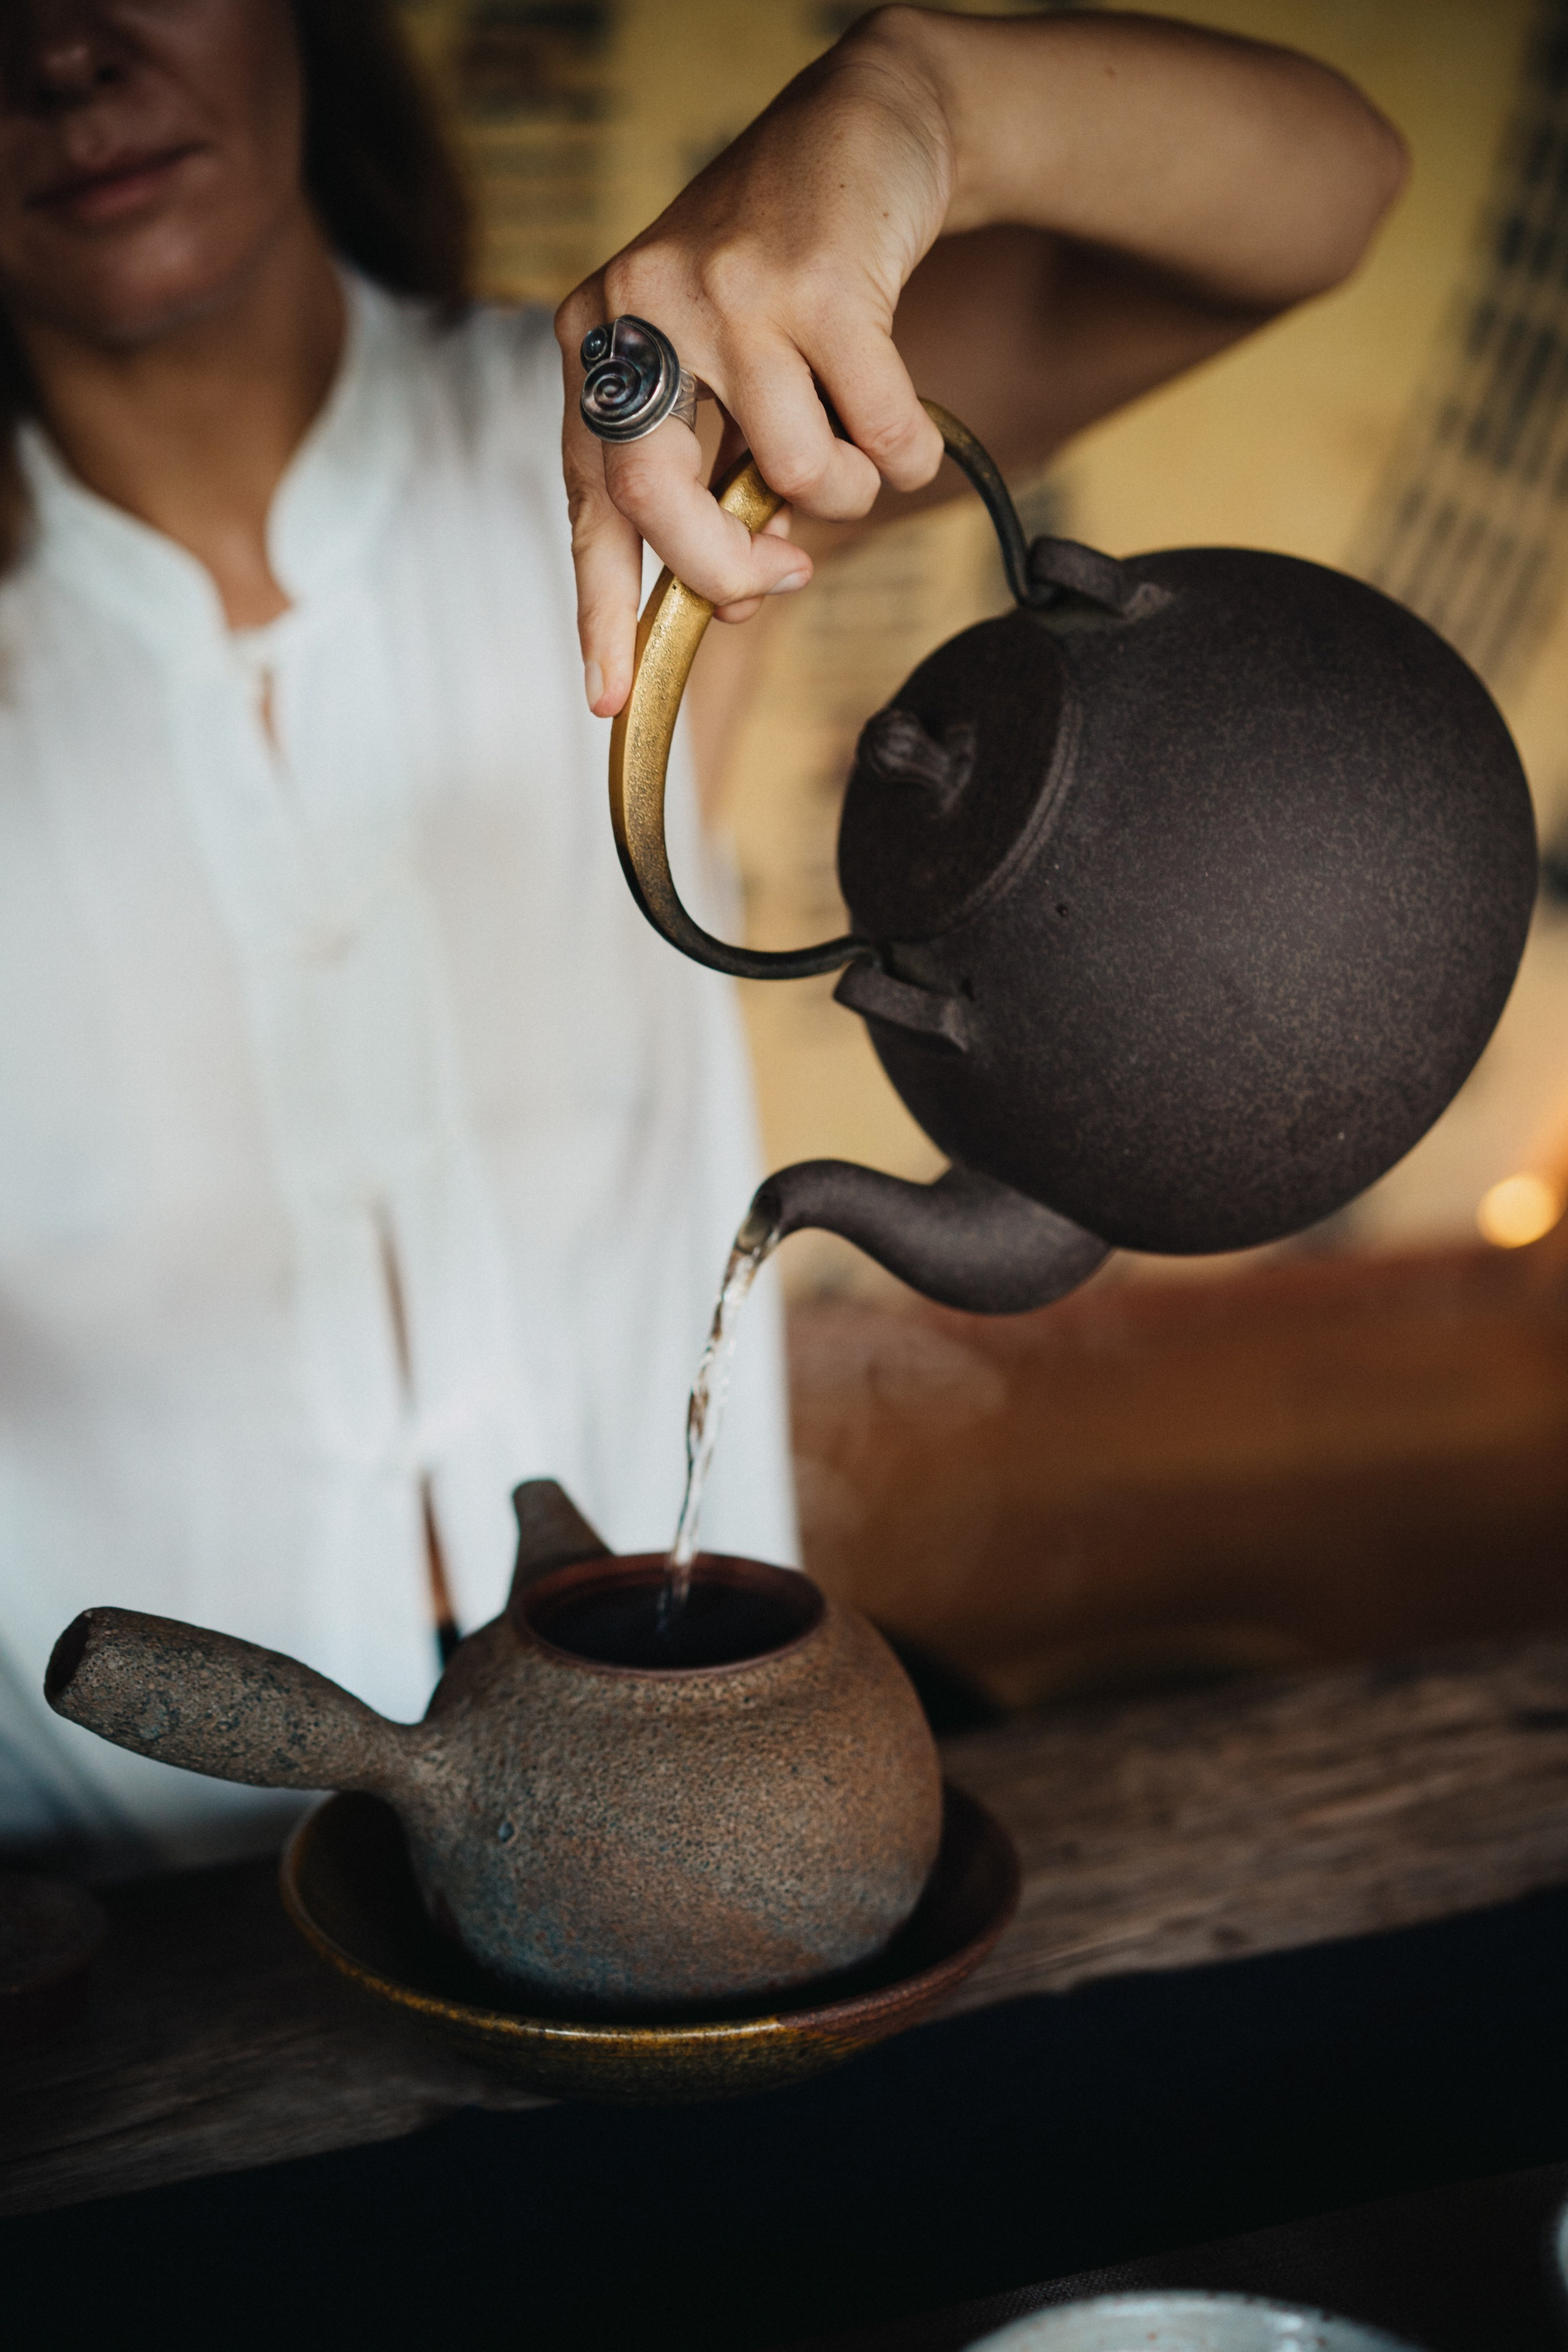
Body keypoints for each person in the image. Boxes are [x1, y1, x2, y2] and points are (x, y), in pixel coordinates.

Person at [0, 1, 1402, 1872]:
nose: (65, 57)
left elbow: (1328, 189)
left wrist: (920, 98)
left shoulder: (653, 467)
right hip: (105, 1934)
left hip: (682, 1845)